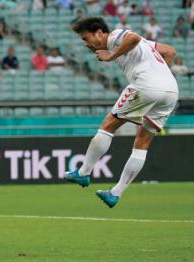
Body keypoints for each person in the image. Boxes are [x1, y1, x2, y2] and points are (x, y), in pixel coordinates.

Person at [67, 17, 178, 208]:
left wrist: (110, 56)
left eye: (86, 38)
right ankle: (115, 193)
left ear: (100, 33)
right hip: (171, 91)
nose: (85, 44)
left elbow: (133, 38)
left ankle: (84, 173)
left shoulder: (116, 35)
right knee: (141, 143)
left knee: (109, 125)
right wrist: (159, 77)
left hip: (146, 85)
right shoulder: (146, 44)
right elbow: (170, 51)